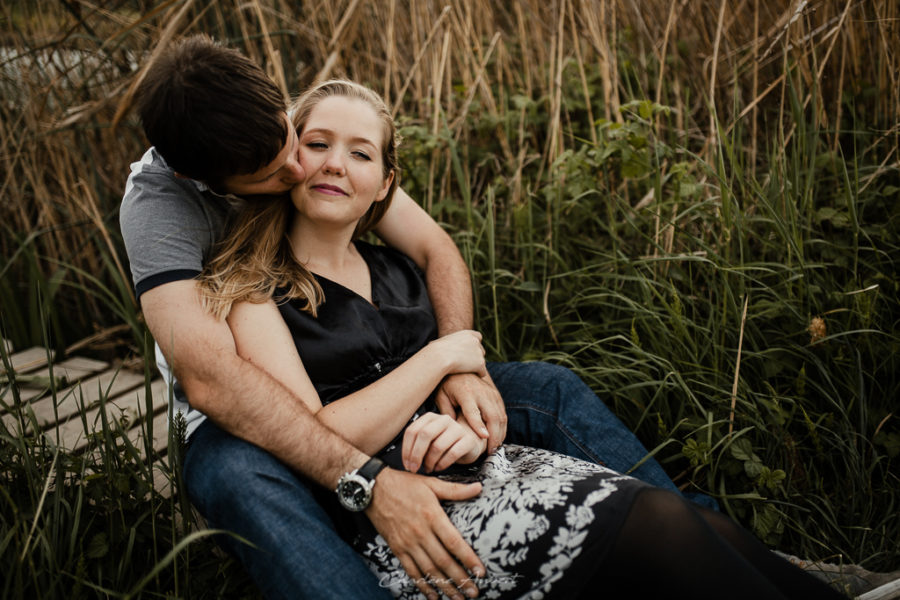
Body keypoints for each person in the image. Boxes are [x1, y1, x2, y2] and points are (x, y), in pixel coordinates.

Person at [197, 78, 849, 600]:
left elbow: (448, 335)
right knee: (662, 528)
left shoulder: (393, 266)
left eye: (361, 153)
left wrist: (470, 418)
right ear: (289, 158)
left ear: (385, 184)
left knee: (691, 525)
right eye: (318, 143)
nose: (337, 163)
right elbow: (316, 431)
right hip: (398, 510)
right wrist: (442, 357)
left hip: (483, 465)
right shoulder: (258, 287)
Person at [119, 35, 709, 599]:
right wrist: (369, 481)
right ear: (198, 180)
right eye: (272, 175)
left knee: (545, 388)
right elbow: (211, 380)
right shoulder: (161, 208)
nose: (299, 169)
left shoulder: (304, 142)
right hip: (241, 411)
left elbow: (436, 249)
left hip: (380, 377)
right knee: (242, 476)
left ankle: (706, 538)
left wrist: (460, 366)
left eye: (289, 140)